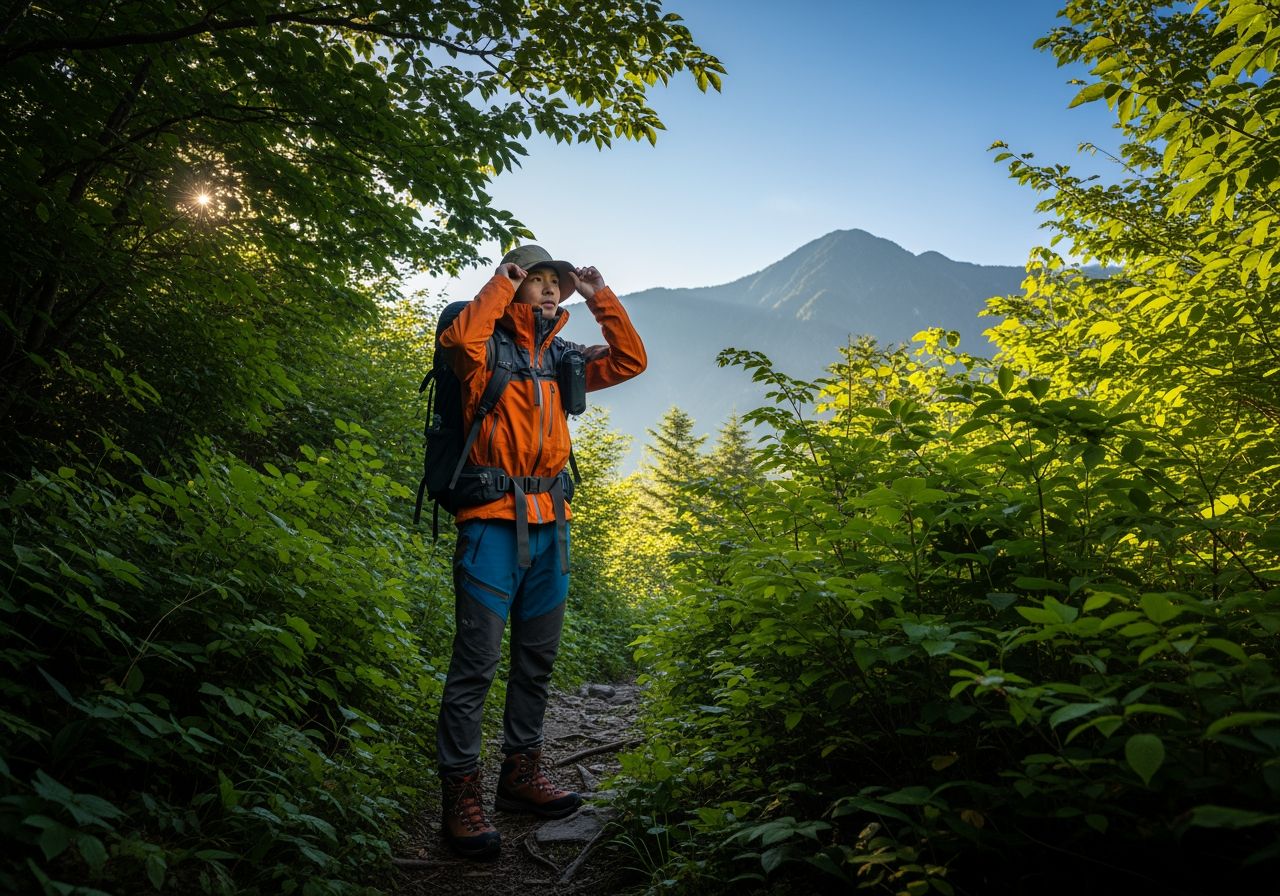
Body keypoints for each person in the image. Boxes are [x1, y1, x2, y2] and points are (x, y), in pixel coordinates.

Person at [434, 244, 647, 859]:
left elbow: (631, 360)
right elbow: (457, 342)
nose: (550, 289)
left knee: (536, 660)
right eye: (538, 280)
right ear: (516, 283)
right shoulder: (483, 351)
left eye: (557, 282)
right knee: (476, 664)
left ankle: (521, 776)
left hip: (553, 520)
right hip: (490, 523)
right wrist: (502, 284)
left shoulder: (564, 358)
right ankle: (461, 796)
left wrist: (599, 295)